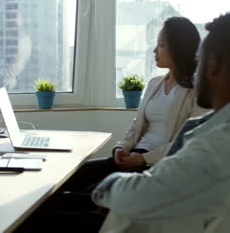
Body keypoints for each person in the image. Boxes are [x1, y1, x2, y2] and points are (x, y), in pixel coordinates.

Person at [92, 13, 230, 233]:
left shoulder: (214, 143)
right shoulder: (212, 128)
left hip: (146, 173)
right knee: (70, 183)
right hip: (137, 166)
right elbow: (137, 124)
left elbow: (143, 193)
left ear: (213, 65)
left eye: (200, 58)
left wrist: (121, 176)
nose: (197, 66)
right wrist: (121, 148)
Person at [60, 17, 209, 194]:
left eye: (161, 45)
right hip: (133, 155)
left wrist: (142, 159)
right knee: (67, 179)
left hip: (155, 163)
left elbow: (186, 142)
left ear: (178, 48)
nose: (155, 50)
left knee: (93, 193)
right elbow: (136, 124)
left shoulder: (197, 90)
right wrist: (120, 148)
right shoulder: (155, 83)